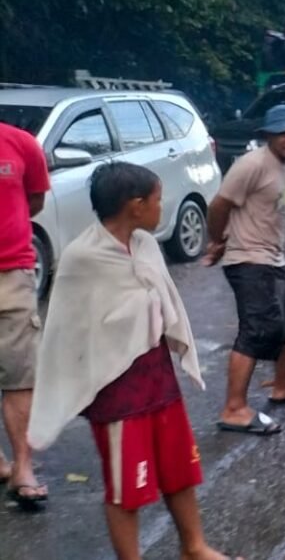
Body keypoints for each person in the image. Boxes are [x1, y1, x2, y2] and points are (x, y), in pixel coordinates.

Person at [29, 163, 232, 559]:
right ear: (135, 206)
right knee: (126, 485)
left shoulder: (146, 246)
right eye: (157, 199)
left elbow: (164, 301)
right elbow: (67, 333)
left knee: (178, 466)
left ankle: (194, 546)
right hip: (114, 386)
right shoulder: (82, 257)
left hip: (156, 375)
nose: (162, 205)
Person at [205, 104, 285, 436]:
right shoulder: (252, 164)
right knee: (258, 330)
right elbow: (219, 205)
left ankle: (283, 386)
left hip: (272, 259)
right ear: (269, 134)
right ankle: (234, 409)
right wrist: (216, 240)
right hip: (248, 260)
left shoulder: (283, 164)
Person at [0, 118, 48, 509]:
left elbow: (35, 200)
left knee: (19, 375)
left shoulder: (20, 144)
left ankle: (23, 466)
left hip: (11, 274)